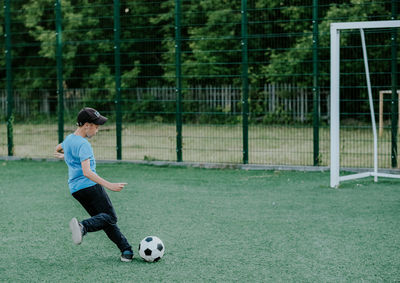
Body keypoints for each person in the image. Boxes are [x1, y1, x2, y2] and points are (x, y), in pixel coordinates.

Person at [54, 107, 134, 262]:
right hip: (90, 186)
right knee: (110, 217)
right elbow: (87, 172)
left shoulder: (69, 139)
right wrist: (110, 185)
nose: (97, 131)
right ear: (87, 125)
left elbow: (57, 148)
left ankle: (126, 251)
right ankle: (83, 227)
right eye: (96, 127)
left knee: (103, 219)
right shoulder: (84, 145)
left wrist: (66, 156)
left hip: (76, 190)